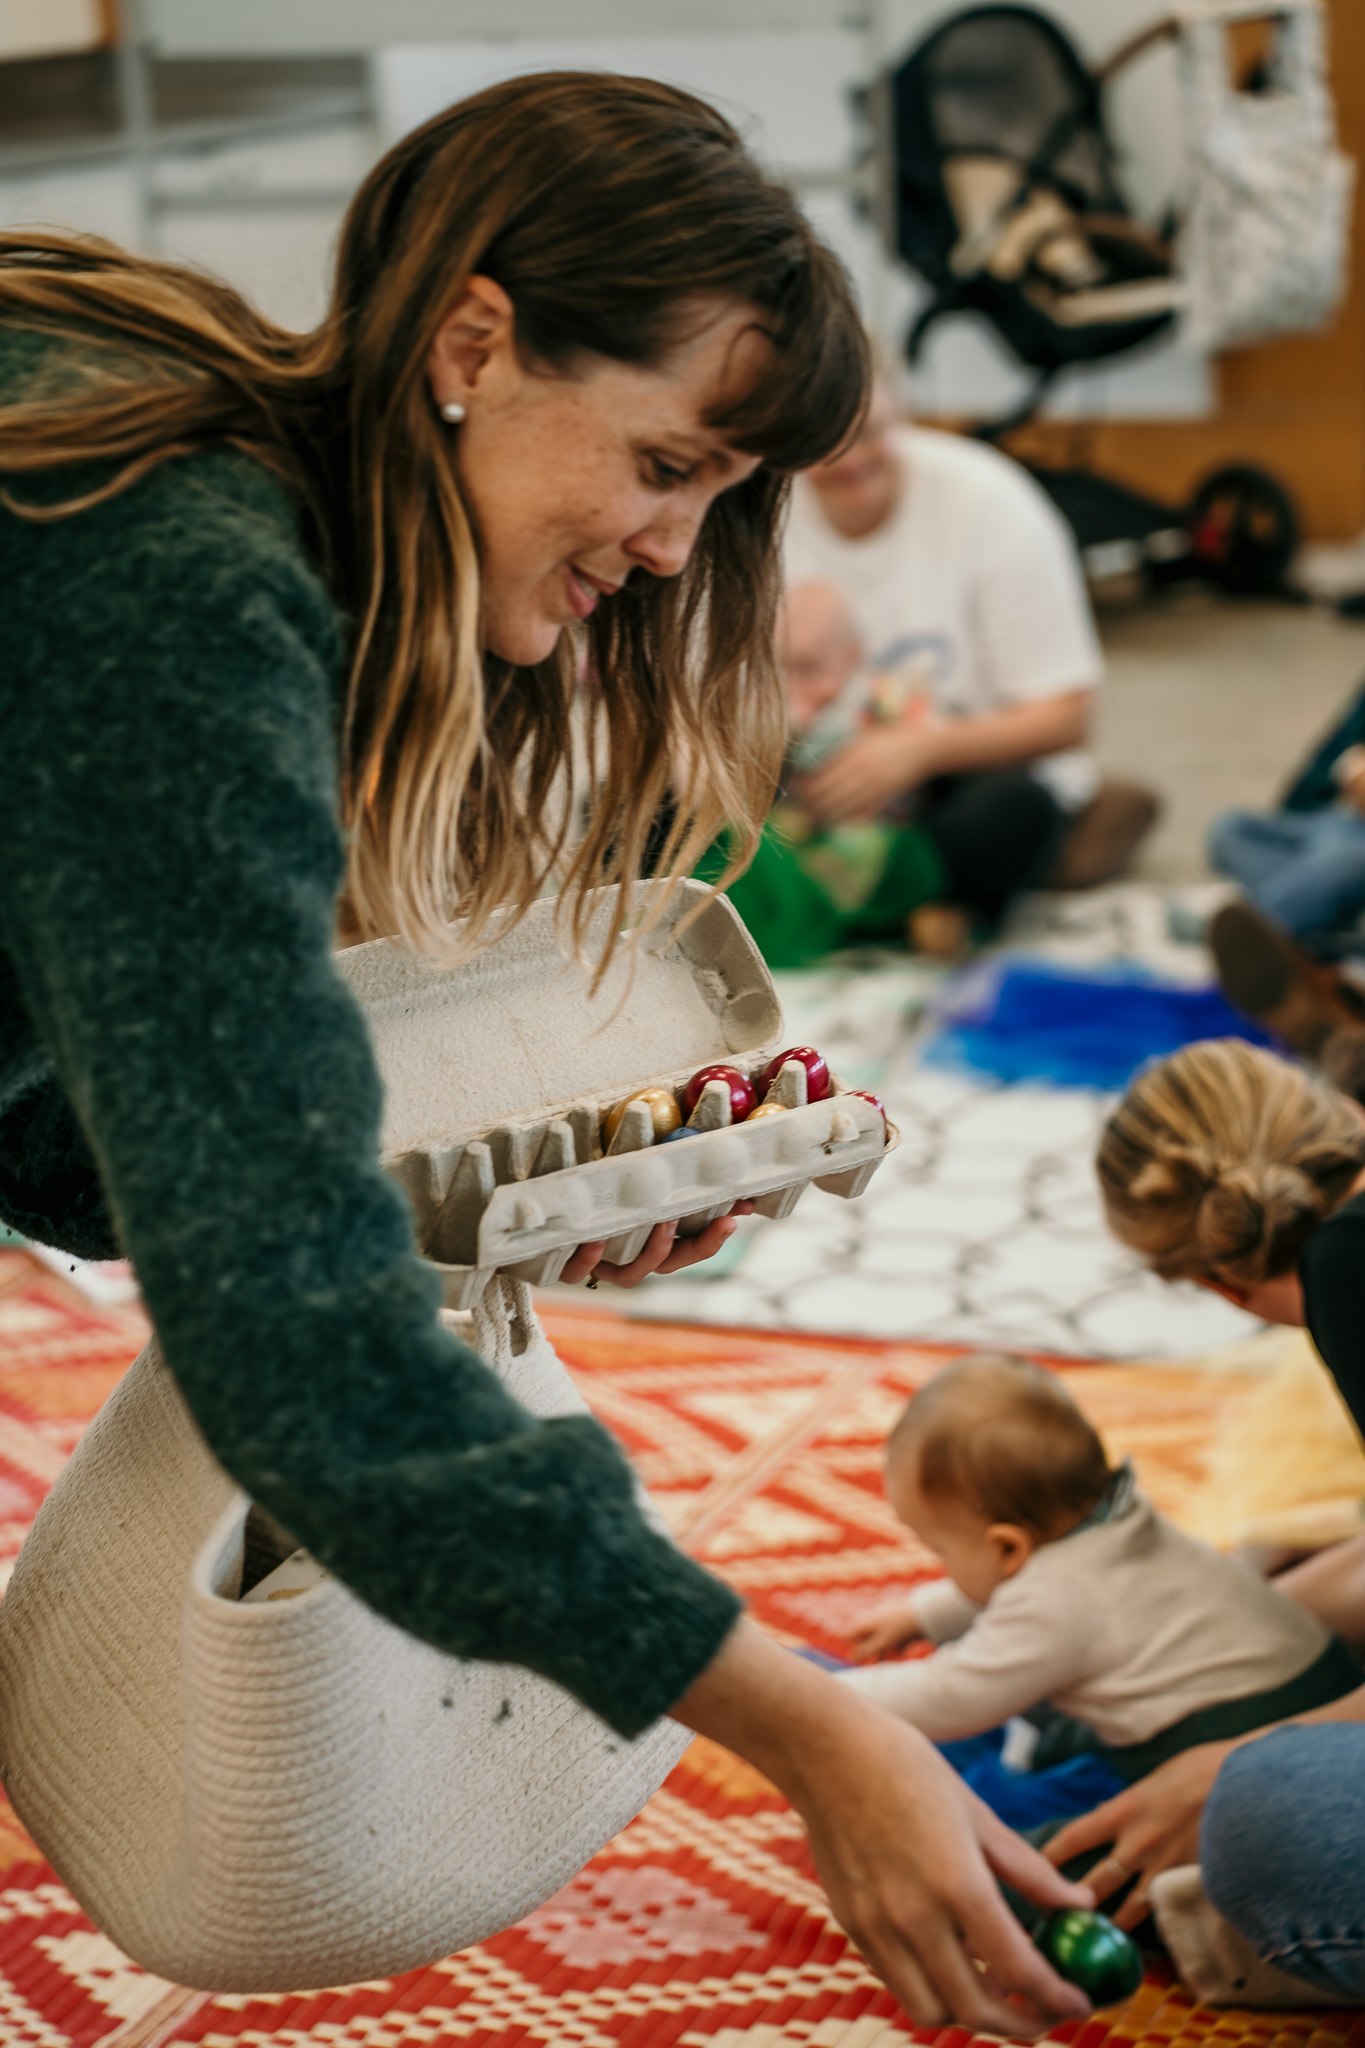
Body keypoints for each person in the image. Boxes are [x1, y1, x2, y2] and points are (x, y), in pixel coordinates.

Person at [0, 74, 1091, 2034]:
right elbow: (289, 1345)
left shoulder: (219, 507)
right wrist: (810, 1728)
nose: (677, 552)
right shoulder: (171, 575)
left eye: (716, 498)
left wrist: (434, 1221)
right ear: (473, 342)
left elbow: (78, 1084)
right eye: (666, 462)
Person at [1042, 1040, 1365, 2004]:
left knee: (1266, 1819)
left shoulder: (1345, 1272)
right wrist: (1258, 1609)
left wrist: (1225, 1766)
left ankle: (1233, 1929)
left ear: (1219, 1284)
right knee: (1285, 1591)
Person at [840, 1353, 1352, 1758]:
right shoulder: (1116, 1515)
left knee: (1025, 1824)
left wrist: (827, 1696)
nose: (939, 1562)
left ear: (1007, 1545)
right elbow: (1023, 1580)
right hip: (1318, 1678)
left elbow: (951, 1695)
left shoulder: (1055, 1604)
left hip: (1229, 1733)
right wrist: (925, 1614)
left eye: (939, 1548)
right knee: (1065, 1690)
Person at [783, 373, 1157, 921]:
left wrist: (914, 752)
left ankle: (863, 901)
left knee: (1015, 810)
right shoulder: (755, 508)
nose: (850, 461)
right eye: (823, 448)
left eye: (869, 434)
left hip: (950, 771)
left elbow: (1069, 716)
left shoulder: (990, 498)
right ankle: (924, 904)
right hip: (807, 768)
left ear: (901, 415)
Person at [706, 579, 959, 966]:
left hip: (878, 841)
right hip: (789, 848)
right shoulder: (752, 707)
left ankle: (892, 918)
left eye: (809, 668)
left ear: (853, 656)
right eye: (776, 668)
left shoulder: (883, 699)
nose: (791, 686)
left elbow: (925, 752)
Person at [1204, 678, 1365, 1053]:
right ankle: (1303, 922)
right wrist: (1353, 772)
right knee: (1230, 830)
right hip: (1331, 823)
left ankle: (1255, 926)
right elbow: (1321, 771)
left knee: (1342, 863)